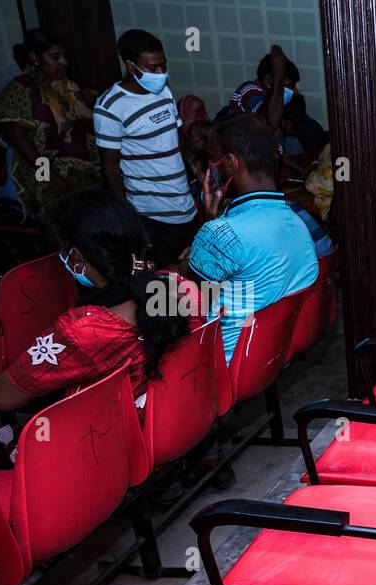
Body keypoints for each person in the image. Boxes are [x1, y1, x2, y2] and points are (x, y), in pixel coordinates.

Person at [0, 189, 200, 411]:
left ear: (78, 258)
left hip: (108, 438)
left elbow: (2, 397)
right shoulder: (179, 287)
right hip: (177, 415)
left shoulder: (83, 330)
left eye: (63, 250)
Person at [182, 112, 318, 363]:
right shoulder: (297, 223)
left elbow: (187, 302)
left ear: (232, 163)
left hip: (223, 363)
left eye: (213, 161)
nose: (212, 168)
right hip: (270, 356)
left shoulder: (221, 235)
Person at [94, 30, 198, 267]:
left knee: (194, 276)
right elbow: (110, 168)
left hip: (185, 204)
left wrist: (194, 163)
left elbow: (176, 132)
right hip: (152, 215)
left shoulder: (163, 91)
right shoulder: (110, 107)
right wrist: (128, 219)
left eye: (163, 65)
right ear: (131, 67)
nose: (161, 73)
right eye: (153, 68)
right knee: (167, 284)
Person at [0, 29, 100, 220]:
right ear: (35, 58)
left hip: (83, 166)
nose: (64, 62)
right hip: (43, 169)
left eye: (64, 56)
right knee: (59, 218)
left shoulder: (66, 85)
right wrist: (48, 175)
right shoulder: (22, 88)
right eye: (55, 57)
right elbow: (18, 137)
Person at [229, 46, 296, 132]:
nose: (290, 92)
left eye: (292, 89)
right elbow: (269, 122)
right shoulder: (249, 89)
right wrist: (278, 75)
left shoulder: (274, 104)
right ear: (268, 80)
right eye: (286, 87)